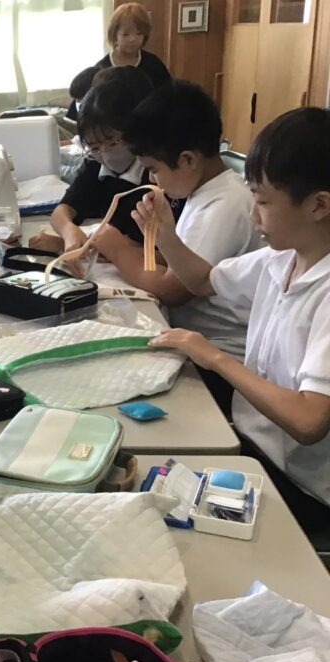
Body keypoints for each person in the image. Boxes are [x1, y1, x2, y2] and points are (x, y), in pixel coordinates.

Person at [134, 107, 330, 547]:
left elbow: (308, 420)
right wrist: (165, 235)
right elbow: (203, 280)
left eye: (263, 202)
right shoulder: (282, 258)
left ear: (318, 205)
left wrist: (214, 357)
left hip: (301, 485)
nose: (254, 216)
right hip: (253, 444)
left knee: (166, 529)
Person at [100, 81, 263, 414]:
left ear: (188, 160)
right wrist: (133, 245)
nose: (152, 179)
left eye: (155, 169)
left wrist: (117, 249)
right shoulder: (202, 193)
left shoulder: (225, 204)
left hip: (222, 357)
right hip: (197, 343)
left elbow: (174, 288)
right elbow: (178, 260)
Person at [48, 67, 180, 262]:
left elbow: (166, 252)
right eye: (94, 146)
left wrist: (77, 245)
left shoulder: (157, 174)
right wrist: (69, 232)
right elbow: (63, 209)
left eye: (113, 142)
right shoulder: (96, 164)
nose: (104, 153)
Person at [95, 2, 171, 90]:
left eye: (139, 33)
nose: (132, 39)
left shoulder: (154, 64)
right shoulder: (101, 68)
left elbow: (168, 93)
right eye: (126, 34)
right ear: (114, 36)